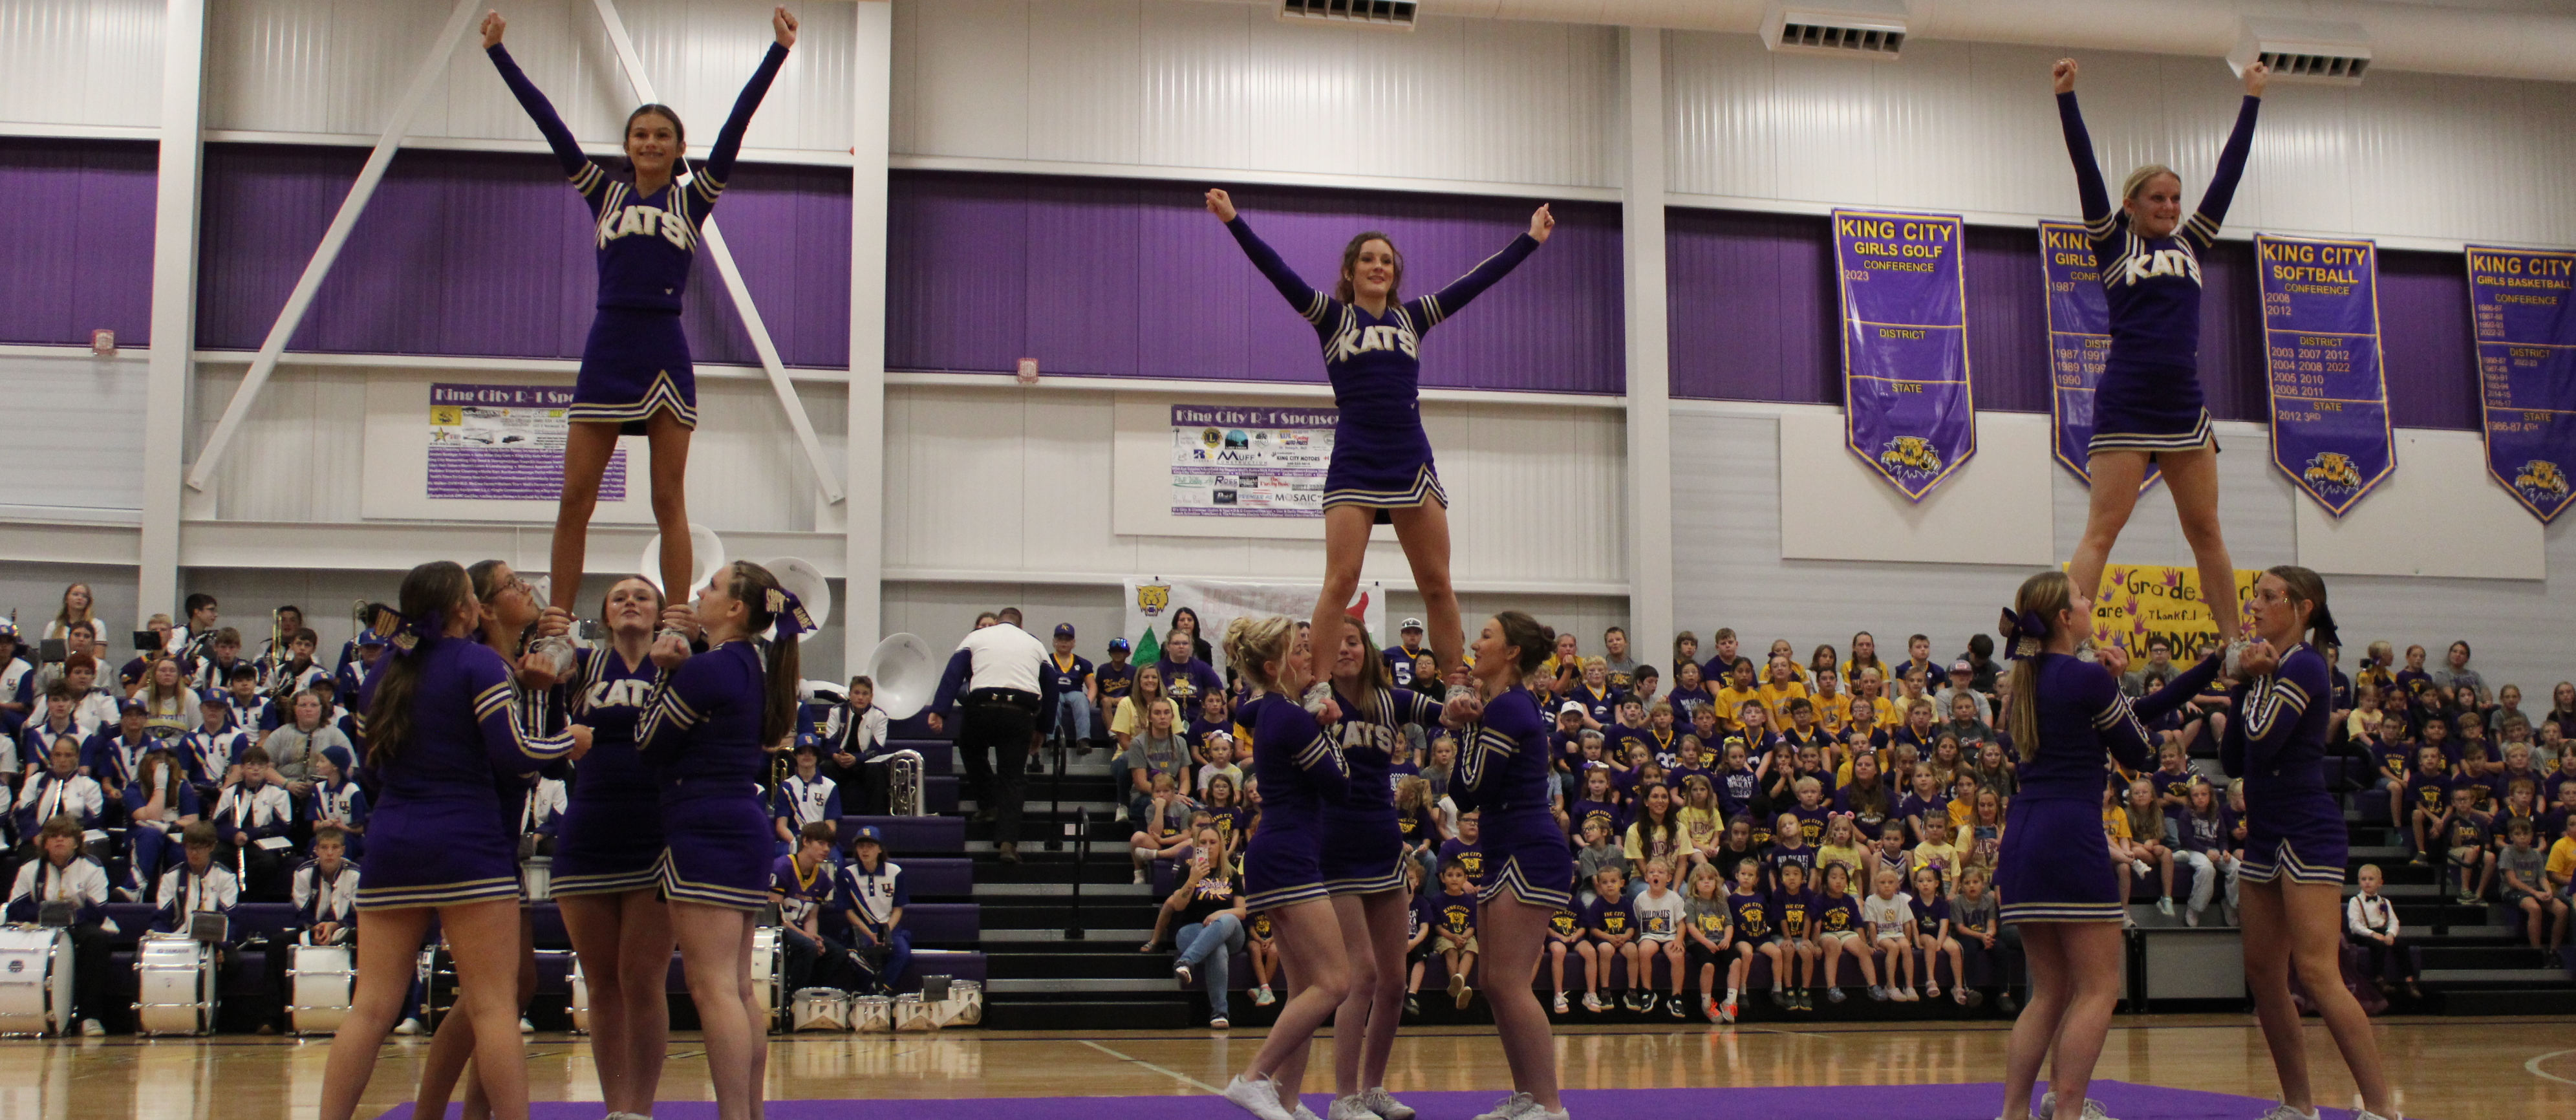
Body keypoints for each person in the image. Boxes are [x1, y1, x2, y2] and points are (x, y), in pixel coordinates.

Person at [482, 6, 796, 608]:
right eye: (640, 134)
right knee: (574, 498)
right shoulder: (601, 192)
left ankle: (677, 615)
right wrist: (499, 53)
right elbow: (549, 123)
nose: (650, 142)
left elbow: (737, 123)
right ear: (627, 145)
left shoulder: (693, 200)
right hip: (608, 345)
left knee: (667, 499)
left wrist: (777, 52)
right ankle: (558, 616)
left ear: (679, 147)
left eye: (662, 135)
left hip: (662, 348)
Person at [1208, 188, 1550, 682]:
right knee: (1340, 581)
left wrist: (1530, 239)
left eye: (1386, 261)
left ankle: (1456, 684)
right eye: (1367, 259)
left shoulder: (1415, 317)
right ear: (1350, 271)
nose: (1378, 266)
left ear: (1395, 273)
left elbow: (1477, 280)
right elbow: (1276, 270)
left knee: (1437, 583)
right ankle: (1319, 687)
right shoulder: (1331, 317)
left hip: (1409, 455)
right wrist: (1233, 220)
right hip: (1356, 456)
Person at [315, 561, 587, 1120]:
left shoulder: (381, 671)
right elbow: (513, 754)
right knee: (493, 1007)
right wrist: (570, 740)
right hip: (468, 845)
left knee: (370, 1009)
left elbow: (370, 770)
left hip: (392, 844)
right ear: (467, 609)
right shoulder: (478, 662)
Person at [2053, 55, 2269, 655]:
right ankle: (2069, 644)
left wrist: (2252, 97)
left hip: (2182, 403)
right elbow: (2085, 167)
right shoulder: (2112, 245)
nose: (2171, 207)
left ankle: (2233, 646)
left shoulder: (2193, 244)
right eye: (2158, 198)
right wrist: (2067, 97)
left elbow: (2228, 174)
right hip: (2127, 399)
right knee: (2103, 530)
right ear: (2132, 204)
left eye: (2175, 198)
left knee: (2206, 529)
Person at [1991, 569, 2221, 1120]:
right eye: (2081, 597)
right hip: (2071, 833)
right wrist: (2115, 683)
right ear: (2065, 617)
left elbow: (2128, 716)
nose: (2089, 601)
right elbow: (2140, 752)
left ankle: (2013, 1113)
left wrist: (2210, 667)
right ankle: (2069, 1112)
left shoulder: (2027, 679)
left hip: (2023, 835)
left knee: (2048, 993)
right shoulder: (2088, 678)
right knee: (2098, 989)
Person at [632, 561, 808, 1120]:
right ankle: (747, 1113)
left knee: (713, 989)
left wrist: (664, 672)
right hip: (741, 824)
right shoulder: (753, 663)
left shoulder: (709, 668)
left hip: (705, 826)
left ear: (735, 608)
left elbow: (647, 741)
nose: (699, 594)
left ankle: (734, 1115)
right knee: (736, 987)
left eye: (711, 587)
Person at [2223, 566, 2398, 1120]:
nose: (2254, 606)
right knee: (2263, 974)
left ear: (2302, 609)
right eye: (2254, 596)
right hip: (2265, 835)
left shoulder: (2303, 664)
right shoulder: (2270, 668)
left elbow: (2263, 740)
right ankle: (2299, 1104)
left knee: (2319, 973)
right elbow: (2233, 757)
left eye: (2267, 597)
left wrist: (2252, 680)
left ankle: (2380, 1108)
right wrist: (2245, 683)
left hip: (2307, 830)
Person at [1434, 611, 1574, 1120]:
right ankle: (1527, 1098)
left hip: (1527, 849)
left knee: (1511, 983)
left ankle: (1550, 1106)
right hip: (1504, 849)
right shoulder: (1501, 706)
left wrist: (1464, 728)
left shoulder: (1511, 706)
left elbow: (1472, 789)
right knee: (1493, 982)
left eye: (1487, 636)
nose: (1476, 643)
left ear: (1512, 652)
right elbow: (1464, 789)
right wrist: (1468, 725)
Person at [1313, 626, 1455, 1120]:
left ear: (1369, 651)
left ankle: (1373, 1088)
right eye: (1337, 640)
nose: (1345, 648)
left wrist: (1464, 699)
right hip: (1335, 847)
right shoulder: (1317, 702)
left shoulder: (1390, 700)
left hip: (1384, 845)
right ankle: (1343, 1097)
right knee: (1363, 974)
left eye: (1354, 641)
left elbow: (1445, 713)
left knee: (1394, 980)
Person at [1219, 615, 1351, 1120]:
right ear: (1275, 667)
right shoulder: (1291, 719)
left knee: (1304, 989)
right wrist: (1329, 727)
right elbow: (1339, 784)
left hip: (1279, 852)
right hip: (1289, 856)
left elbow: (1251, 710)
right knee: (1335, 983)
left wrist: (1314, 710)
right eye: (1299, 652)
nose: (1310, 658)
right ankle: (1253, 1078)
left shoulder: (1274, 711)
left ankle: (1288, 1100)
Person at [927, 608, 1054, 863]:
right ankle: (1008, 842)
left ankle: (988, 804)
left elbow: (953, 672)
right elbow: (1051, 685)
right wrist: (1043, 729)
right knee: (1013, 777)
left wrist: (940, 710)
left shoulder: (977, 637)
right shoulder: (1035, 643)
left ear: (997, 622)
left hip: (982, 707)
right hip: (1020, 712)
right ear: (1020, 625)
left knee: (970, 747)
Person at [3, 814, 112, 1036]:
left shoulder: (92, 867)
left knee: (97, 938)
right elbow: (15, 909)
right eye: (53, 836)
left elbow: (97, 912)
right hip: (40, 928)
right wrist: (48, 912)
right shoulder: (30, 869)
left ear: (77, 842)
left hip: (78, 926)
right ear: (45, 843)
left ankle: (90, 1017)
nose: (59, 840)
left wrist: (67, 916)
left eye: (66, 836)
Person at [1168, 826, 1250, 1029]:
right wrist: (1193, 880)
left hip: (1230, 933)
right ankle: (1220, 1013)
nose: (1208, 847)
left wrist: (1219, 914)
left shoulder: (1231, 873)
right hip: (1192, 930)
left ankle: (1187, 961)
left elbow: (1242, 912)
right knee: (1217, 948)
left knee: (1229, 919)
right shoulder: (1188, 870)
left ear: (1221, 845)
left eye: (1213, 842)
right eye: (1203, 843)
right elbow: (1178, 906)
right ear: (1196, 846)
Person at [771, 821, 847, 995]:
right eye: (821, 843)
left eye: (829, 845)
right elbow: (775, 915)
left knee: (837, 953)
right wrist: (808, 938)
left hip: (798, 930)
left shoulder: (822, 878)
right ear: (805, 841)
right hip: (779, 927)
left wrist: (814, 937)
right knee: (807, 946)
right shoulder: (782, 867)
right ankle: (792, 997)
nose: (826, 849)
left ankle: (811, 994)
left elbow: (811, 917)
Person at [838, 824, 910, 995]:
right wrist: (870, 934)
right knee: (855, 955)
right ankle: (874, 991)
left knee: (903, 953)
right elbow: (849, 912)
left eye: (870, 846)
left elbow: (898, 909)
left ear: (880, 849)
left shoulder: (895, 872)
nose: (865, 850)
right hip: (863, 928)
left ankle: (876, 992)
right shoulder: (847, 874)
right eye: (861, 846)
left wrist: (886, 932)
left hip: (888, 927)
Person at [2343, 864, 2419, 1000]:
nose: (2367, 882)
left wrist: (2390, 934)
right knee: (2378, 945)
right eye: (2363, 879)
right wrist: (2372, 934)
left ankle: (2409, 981)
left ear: (2380, 883)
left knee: (2401, 944)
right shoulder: (2355, 901)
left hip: (2382, 932)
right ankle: (2379, 979)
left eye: (2371, 879)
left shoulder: (2385, 902)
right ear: (2359, 882)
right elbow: (2354, 925)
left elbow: (2394, 921)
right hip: (2363, 934)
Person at [1046, 623, 1097, 751]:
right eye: (1060, 639)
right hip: (1054, 692)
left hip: (1075, 692)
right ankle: (1053, 741)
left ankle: (1083, 740)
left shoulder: (1082, 663)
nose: (1064, 642)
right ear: (1054, 641)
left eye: (1068, 639)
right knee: (1052, 700)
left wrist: (1089, 700)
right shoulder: (1046, 660)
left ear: (1073, 643)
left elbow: (1092, 685)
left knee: (1081, 699)